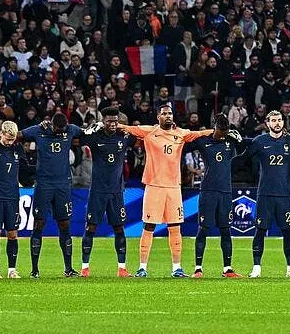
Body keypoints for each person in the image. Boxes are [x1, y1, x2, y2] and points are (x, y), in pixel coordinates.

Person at [116, 103, 213, 277]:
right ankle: (142, 268)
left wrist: (217, 131)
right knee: (149, 226)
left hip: (174, 188)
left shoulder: (181, 133)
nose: (168, 116)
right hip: (154, 187)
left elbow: (199, 134)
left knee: (175, 226)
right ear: (158, 117)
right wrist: (111, 125)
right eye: (164, 113)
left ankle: (177, 268)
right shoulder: (149, 131)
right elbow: (129, 128)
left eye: (170, 113)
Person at [237, 109, 290, 278]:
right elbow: (243, 159)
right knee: (260, 230)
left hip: (284, 194)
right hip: (265, 194)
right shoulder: (259, 141)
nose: (277, 123)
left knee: (287, 230)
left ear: (283, 122)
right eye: (273, 120)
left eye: (279, 120)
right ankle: (257, 268)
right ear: (267, 123)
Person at [21, 112, 86, 277]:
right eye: (57, 129)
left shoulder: (71, 129)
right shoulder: (38, 130)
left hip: (63, 185)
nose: (60, 132)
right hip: (43, 185)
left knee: (65, 225)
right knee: (39, 225)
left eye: (62, 129)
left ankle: (69, 269)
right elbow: (19, 135)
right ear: (51, 124)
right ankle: (34, 270)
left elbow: (86, 134)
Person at [80, 107, 133, 277]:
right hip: (98, 191)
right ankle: (85, 267)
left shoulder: (123, 137)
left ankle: (122, 268)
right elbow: (79, 139)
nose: (113, 124)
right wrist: (89, 128)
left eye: (115, 121)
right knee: (91, 227)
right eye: (109, 121)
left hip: (116, 192)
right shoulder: (96, 137)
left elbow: (143, 137)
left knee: (119, 229)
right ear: (103, 121)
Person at [192, 114, 243, 278]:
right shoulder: (203, 141)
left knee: (226, 230)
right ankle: (198, 268)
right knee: (204, 229)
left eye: (225, 131)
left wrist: (240, 140)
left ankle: (227, 268)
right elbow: (184, 145)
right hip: (208, 191)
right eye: (220, 131)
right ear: (214, 127)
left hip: (226, 192)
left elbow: (246, 151)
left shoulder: (231, 141)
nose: (222, 135)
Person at [0, 121, 24, 279]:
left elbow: (25, 169)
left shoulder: (18, 149)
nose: (9, 142)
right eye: (7, 139)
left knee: (13, 234)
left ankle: (11, 270)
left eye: (12, 140)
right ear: (1, 134)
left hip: (13, 197)